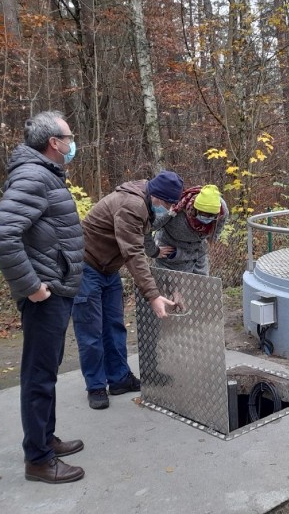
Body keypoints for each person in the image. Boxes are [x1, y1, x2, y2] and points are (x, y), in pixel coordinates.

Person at [0, 111, 85, 484]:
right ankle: (39, 460)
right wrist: (32, 286)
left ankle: (46, 439)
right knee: (39, 376)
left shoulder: (45, 174)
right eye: (68, 137)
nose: (73, 143)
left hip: (57, 289)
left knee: (47, 371)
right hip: (46, 295)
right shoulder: (33, 176)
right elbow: (0, 234)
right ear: (53, 143)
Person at [74, 170, 185, 409]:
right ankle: (95, 386)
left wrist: (154, 252)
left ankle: (119, 379)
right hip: (86, 268)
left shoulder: (146, 198)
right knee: (91, 332)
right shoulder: (131, 205)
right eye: (167, 203)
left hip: (108, 270)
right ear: (157, 196)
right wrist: (153, 295)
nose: (167, 208)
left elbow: (142, 240)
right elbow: (132, 252)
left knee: (114, 326)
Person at [146, 184, 229, 275]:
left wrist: (208, 242)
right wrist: (153, 251)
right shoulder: (176, 207)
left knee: (200, 287)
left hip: (197, 257)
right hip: (170, 257)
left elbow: (216, 231)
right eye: (203, 214)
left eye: (211, 216)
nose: (207, 218)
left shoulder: (222, 210)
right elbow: (148, 227)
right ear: (195, 208)